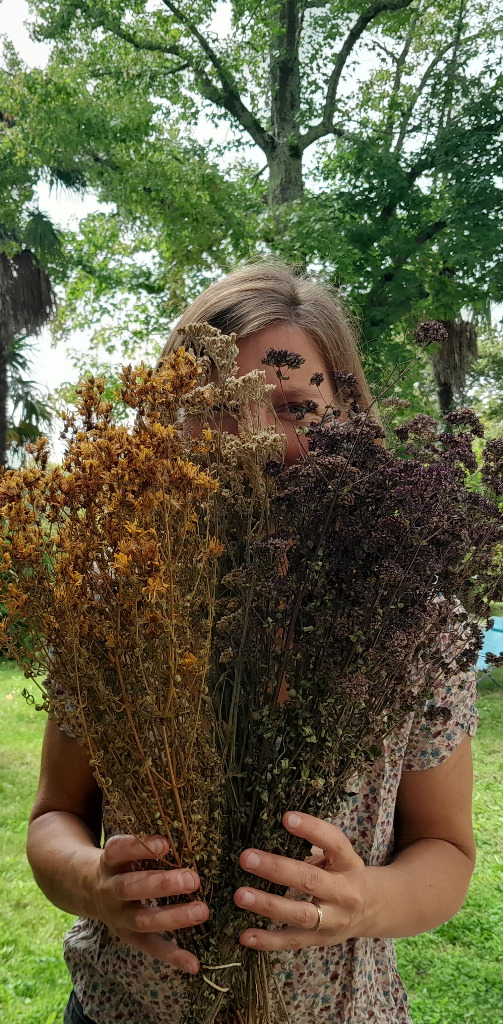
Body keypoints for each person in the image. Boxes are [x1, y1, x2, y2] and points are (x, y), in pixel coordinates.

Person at [27, 263, 478, 1024]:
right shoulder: (118, 605)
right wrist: (93, 885)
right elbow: (55, 817)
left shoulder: (411, 621)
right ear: (171, 418)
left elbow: (445, 851)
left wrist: (366, 900)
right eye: (219, 408)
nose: (259, 441)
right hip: (122, 1009)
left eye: (297, 406)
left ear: (349, 418)